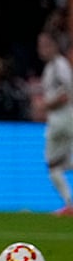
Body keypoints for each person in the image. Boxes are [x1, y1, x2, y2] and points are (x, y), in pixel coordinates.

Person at [37, 30, 73, 215]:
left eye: (45, 45)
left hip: (62, 120)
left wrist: (45, 105)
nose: (41, 49)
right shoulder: (53, 66)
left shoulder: (59, 66)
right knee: (64, 163)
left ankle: (69, 205)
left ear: (54, 46)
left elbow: (65, 94)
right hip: (63, 119)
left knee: (52, 165)